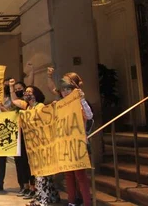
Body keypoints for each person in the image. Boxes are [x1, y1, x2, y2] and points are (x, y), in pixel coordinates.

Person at [9, 80, 59, 206]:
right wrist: (11, 87)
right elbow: (14, 100)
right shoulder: (27, 107)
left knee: (43, 174)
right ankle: (47, 196)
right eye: (26, 92)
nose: (26, 93)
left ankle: (43, 199)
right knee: (37, 173)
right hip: (32, 145)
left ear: (36, 94)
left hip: (42, 144)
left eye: (29, 92)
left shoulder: (40, 106)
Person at [49, 69, 94, 206]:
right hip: (65, 144)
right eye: (63, 89)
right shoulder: (60, 104)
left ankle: (86, 202)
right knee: (68, 175)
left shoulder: (80, 102)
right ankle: (72, 201)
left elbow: (89, 116)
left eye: (68, 89)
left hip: (78, 143)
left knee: (80, 176)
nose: (65, 92)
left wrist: (82, 100)